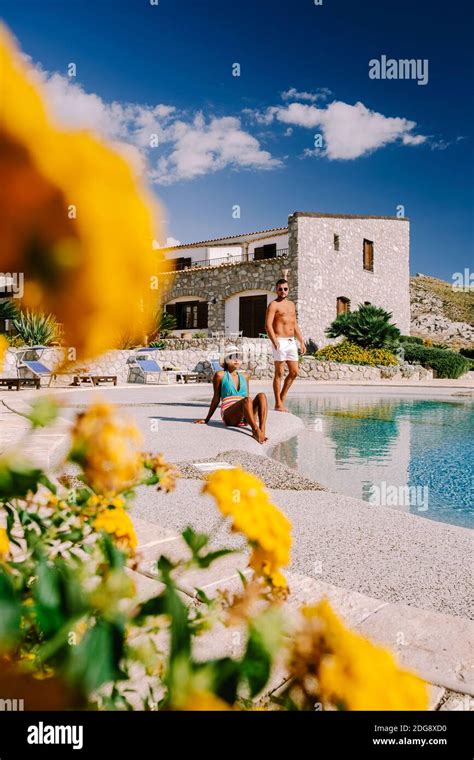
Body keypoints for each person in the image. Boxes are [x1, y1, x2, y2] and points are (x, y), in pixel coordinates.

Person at [194, 347, 268, 443]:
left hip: (245, 415)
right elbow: (216, 398)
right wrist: (207, 419)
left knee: (261, 396)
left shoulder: (245, 376)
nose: (236, 360)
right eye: (232, 357)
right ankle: (255, 430)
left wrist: (251, 412)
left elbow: (247, 397)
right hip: (229, 415)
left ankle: (262, 430)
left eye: (239, 357)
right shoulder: (220, 375)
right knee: (247, 400)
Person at [265, 278, 306, 412]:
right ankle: (278, 403)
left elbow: (294, 324)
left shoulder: (291, 305)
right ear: (276, 290)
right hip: (279, 341)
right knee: (280, 373)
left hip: (291, 341)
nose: (283, 291)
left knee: (294, 372)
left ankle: (282, 397)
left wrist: (301, 341)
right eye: (280, 289)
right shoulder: (273, 305)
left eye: (285, 289)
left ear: (288, 289)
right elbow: (267, 325)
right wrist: (274, 340)